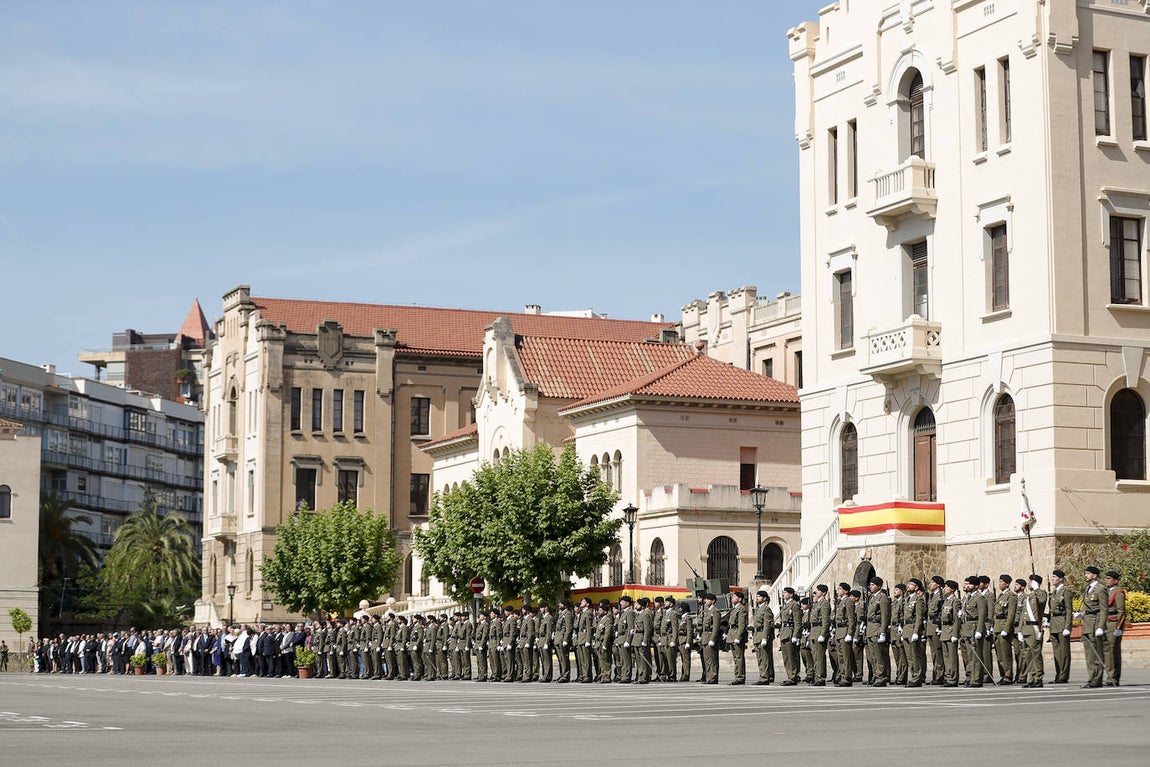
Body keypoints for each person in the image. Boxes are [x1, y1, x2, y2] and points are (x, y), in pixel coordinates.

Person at [1080, 565, 1107, 688]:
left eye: (1088, 573)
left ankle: (1097, 679)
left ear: (1094, 575)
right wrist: (1081, 615)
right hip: (1087, 624)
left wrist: (1101, 626)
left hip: (1095, 624)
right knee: (1089, 655)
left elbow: (1103, 609)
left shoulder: (1100, 589)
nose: (1085, 575)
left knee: (1096, 653)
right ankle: (1092, 677)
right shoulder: (1088, 589)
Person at [1019, 575, 1047, 688]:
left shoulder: (1040, 594)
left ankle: (1038, 678)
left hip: (1034, 629)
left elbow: (1042, 600)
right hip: (1026, 629)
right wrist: (1020, 629)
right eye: (1030, 581)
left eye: (1032, 581)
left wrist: (1037, 589)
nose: (1030, 583)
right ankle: (1032, 677)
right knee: (1028, 655)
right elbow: (1023, 614)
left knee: (1036, 655)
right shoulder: (1028, 596)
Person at [959, 576, 987, 688]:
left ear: (975, 586)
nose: (966, 586)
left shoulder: (979, 598)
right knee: (969, 656)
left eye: (969, 584)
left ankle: (976, 680)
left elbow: (982, 615)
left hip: (974, 628)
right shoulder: (967, 598)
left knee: (975, 656)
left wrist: (980, 630)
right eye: (966, 584)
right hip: (966, 628)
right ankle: (970, 677)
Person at [1046, 569, 1072, 684]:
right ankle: (1058, 673)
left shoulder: (1065, 591)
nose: (1052, 579)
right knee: (1056, 651)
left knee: (1064, 651)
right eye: (1052, 577)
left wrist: (1067, 626)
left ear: (1061, 579)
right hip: (1054, 623)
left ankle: (1063, 675)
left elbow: (1068, 610)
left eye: (1055, 577)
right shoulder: (1054, 592)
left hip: (1062, 622)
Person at [865, 577, 891, 687]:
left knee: (879, 655)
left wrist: (883, 631)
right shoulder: (872, 597)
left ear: (879, 586)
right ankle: (876, 676)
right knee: (872, 656)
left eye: (873, 585)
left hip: (877, 628)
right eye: (870, 585)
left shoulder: (882, 597)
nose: (871, 587)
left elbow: (885, 616)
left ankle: (881, 677)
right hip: (870, 629)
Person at [992, 574, 1017, 684]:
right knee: (999, 654)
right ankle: (1003, 674)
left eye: (1002, 582)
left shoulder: (1011, 596)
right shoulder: (1000, 596)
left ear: (1007, 583)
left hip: (1003, 626)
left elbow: (1011, 614)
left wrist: (1006, 629)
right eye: (999, 581)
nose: (1000, 584)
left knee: (1005, 654)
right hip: (997, 626)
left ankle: (1008, 676)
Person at [1104, 570, 1125, 687]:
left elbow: (1121, 611)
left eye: (1109, 578)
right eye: (1106, 578)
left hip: (1113, 624)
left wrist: (1118, 627)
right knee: (1107, 652)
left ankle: (1114, 677)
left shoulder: (1118, 592)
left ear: (1115, 581)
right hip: (1106, 623)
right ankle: (1109, 676)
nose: (1106, 580)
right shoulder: (1106, 592)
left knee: (1113, 652)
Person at [777, 587, 802, 685]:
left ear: (791, 594)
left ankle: (793, 676)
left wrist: (796, 635)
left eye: (785, 593)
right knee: (786, 657)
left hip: (790, 632)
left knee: (792, 656)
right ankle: (790, 675)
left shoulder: (794, 605)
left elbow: (797, 622)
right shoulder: (786, 605)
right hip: (784, 632)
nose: (783, 594)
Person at [938, 580, 961, 687]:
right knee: (946, 657)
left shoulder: (955, 601)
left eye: (946, 587)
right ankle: (947, 677)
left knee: (952, 657)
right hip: (945, 631)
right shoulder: (946, 601)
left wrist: (955, 634)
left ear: (952, 589)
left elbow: (956, 619)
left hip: (951, 631)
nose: (944, 589)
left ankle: (953, 678)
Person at [808, 585, 831, 686]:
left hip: (819, 631)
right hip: (814, 631)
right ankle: (817, 676)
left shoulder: (824, 603)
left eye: (818, 591)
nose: (816, 592)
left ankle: (821, 678)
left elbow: (826, 620)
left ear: (824, 593)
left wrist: (823, 633)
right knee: (815, 656)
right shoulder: (817, 603)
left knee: (819, 656)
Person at [752, 590, 775, 685]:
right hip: (758, 634)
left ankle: (764, 677)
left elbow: (767, 624)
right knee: (760, 657)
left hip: (762, 634)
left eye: (759, 596)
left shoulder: (766, 609)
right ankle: (767, 675)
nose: (757, 598)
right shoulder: (758, 609)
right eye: (757, 596)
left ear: (765, 598)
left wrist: (765, 637)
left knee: (764, 658)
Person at [726, 590, 748, 685]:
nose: (732, 598)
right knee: (735, 658)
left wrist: (738, 637)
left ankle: (740, 677)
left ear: (739, 599)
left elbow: (741, 625)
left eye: (734, 597)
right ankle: (737, 675)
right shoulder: (734, 609)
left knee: (739, 658)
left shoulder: (741, 609)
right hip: (732, 634)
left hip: (736, 635)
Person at [699, 592, 721, 684]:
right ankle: (709, 677)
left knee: (712, 659)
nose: (705, 601)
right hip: (705, 637)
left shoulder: (715, 611)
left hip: (710, 637)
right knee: (707, 659)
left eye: (708, 599)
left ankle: (713, 677)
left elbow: (716, 627)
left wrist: (712, 639)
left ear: (713, 601)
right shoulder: (707, 611)